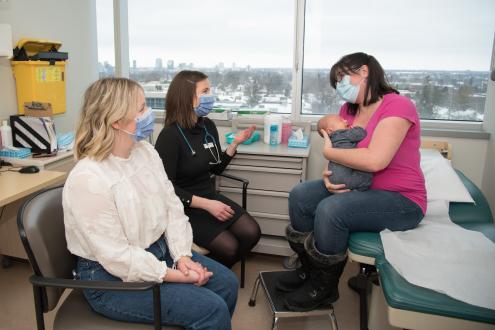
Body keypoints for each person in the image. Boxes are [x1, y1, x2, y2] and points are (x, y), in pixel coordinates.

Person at [63, 77, 238, 330]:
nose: (149, 115)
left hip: (159, 250)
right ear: (116, 120)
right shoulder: (88, 179)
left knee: (227, 284)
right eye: (142, 108)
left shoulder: (145, 152)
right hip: (111, 277)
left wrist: (183, 256)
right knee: (211, 310)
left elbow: (171, 207)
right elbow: (118, 257)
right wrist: (178, 276)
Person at [277, 52, 426, 312]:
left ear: (364, 72)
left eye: (342, 79)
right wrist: (329, 171)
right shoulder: (349, 110)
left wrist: (329, 154)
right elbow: (341, 144)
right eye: (336, 83)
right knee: (301, 195)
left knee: (331, 209)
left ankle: (323, 288)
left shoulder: (397, 105)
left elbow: (375, 160)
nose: (340, 88)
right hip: (357, 186)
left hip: (400, 199)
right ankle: (308, 270)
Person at [155, 70, 261, 269]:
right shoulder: (169, 136)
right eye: (205, 91)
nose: (210, 96)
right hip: (184, 207)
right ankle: (204, 275)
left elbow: (216, 168)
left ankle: (214, 271)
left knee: (252, 232)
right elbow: (165, 189)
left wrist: (234, 145)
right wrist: (206, 205)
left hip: (209, 196)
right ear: (188, 97)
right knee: (229, 247)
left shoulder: (208, 126)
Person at [317, 114, 372, 191]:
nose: (345, 121)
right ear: (330, 130)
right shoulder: (342, 134)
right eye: (341, 120)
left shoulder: (333, 139)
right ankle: (362, 189)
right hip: (344, 179)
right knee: (366, 176)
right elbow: (361, 134)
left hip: (333, 177)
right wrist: (356, 128)